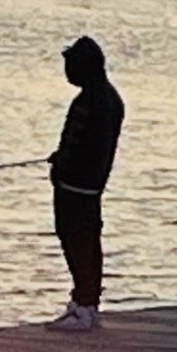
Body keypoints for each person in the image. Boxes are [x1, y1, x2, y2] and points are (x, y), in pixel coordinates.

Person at [47, 36, 124, 331]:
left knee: (75, 241)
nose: (67, 72)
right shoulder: (111, 98)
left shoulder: (88, 101)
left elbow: (76, 143)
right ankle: (88, 303)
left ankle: (82, 304)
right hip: (94, 184)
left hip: (75, 185)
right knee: (90, 243)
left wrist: (60, 169)